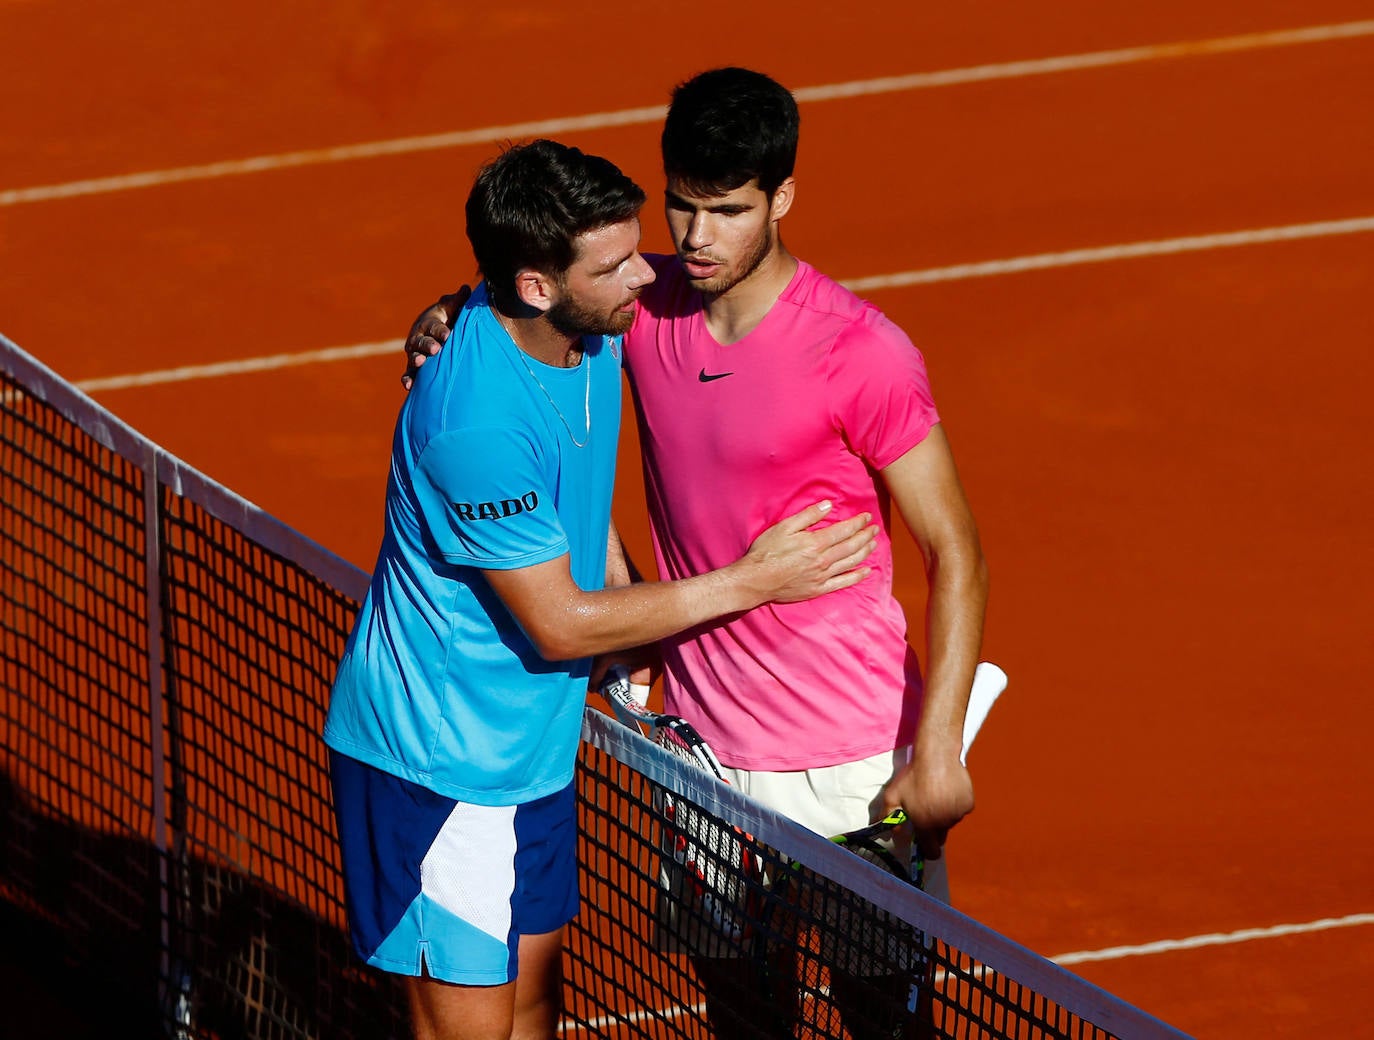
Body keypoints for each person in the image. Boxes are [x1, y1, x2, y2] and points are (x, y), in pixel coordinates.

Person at [404, 69, 989, 1040]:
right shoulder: (645, 312)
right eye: (682, 203)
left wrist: (938, 755)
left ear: (782, 199)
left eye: (727, 209)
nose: (697, 236)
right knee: (743, 1021)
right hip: (710, 757)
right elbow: (534, 310)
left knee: (886, 1024)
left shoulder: (863, 352)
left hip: (854, 762)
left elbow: (956, 548)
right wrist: (449, 312)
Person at [324, 137, 879, 1040]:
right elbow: (559, 624)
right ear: (538, 285)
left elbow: (571, 524)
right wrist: (754, 581)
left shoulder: (580, 328)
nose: (648, 276)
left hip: (528, 749)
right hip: (442, 767)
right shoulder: (476, 424)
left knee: (533, 1003)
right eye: (617, 265)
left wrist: (445, 304)